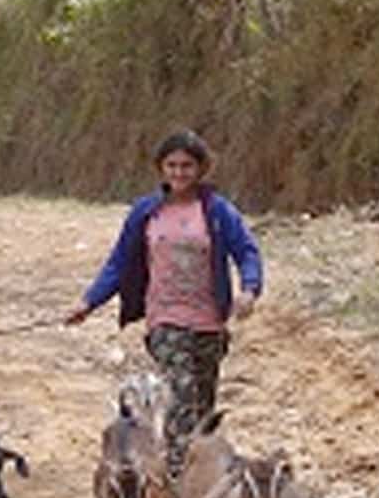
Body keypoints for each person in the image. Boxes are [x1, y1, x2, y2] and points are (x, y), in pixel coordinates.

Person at [67, 129, 263, 478]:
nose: (179, 173)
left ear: (201, 168)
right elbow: (119, 263)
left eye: (186, 165)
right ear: (160, 169)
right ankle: (177, 477)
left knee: (203, 404)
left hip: (210, 321)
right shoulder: (146, 213)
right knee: (181, 394)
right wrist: (88, 302)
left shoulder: (217, 212)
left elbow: (247, 251)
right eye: (171, 165)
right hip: (165, 320)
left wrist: (249, 289)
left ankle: (202, 470)